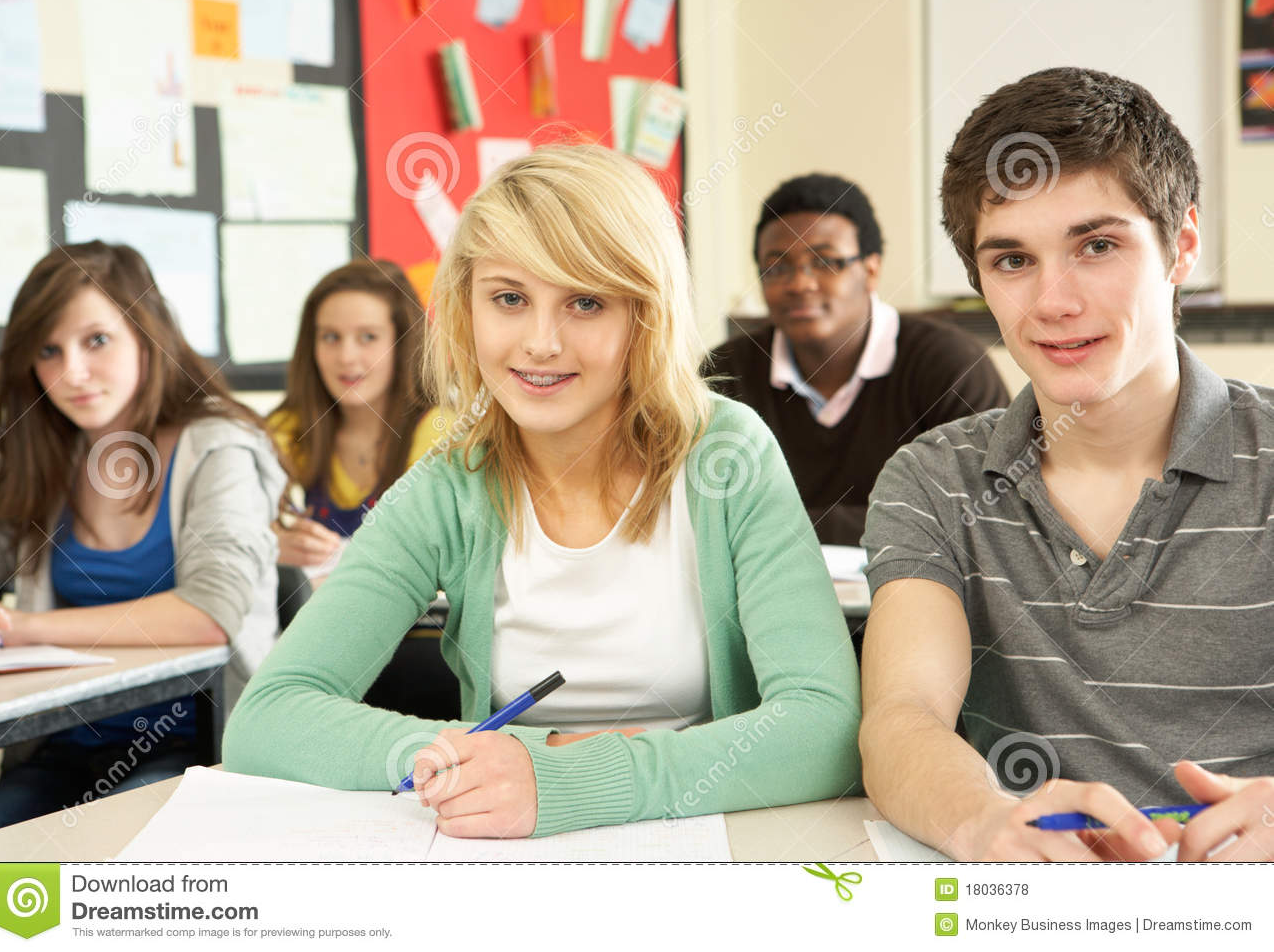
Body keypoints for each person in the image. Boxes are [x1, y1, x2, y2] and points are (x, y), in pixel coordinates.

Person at [224, 144, 862, 839]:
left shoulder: (727, 454)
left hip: (697, 836)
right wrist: (463, 760)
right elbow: (266, 718)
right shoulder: (450, 484)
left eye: (586, 301)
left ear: (645, 314)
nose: (541, 342)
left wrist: (572, 777)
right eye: (509, 298)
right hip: (506, 847)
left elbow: (824, 727)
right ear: (465, 307)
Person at [859, 67, 1274, 862]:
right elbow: (901, 717)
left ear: (1182, 245)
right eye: (1013, 260)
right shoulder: (932, 479)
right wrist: (979, 821)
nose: (1054, 300)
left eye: (1097, 245)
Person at [0, 241, 284, 833]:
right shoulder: (46, 458)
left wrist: (20, 627)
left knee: (108, 847)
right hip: (59, 747)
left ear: (146, 333)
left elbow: (209, 614)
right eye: (48, 350)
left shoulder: (218, 448)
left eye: (96, 340)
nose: (72, 372)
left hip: (202, 745)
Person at [705, 174, 1010, 545]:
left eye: (826, 261)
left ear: (871, 270)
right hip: (766, 590)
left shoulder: (950, 365)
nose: (800, 283)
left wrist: (777, 526)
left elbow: (985, 510)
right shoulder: (725, 373)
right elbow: (705, 514)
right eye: (777, 267)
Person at [268, 260, 443, 575]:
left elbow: (436, 560)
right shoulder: (285, 430)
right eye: (331, 338)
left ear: (403, 344)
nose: (346, 357)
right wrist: (271, 544)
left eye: (368, 337)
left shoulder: (442, 434)